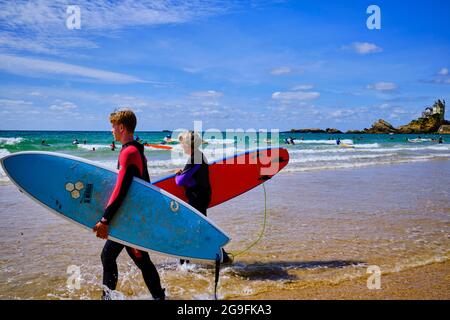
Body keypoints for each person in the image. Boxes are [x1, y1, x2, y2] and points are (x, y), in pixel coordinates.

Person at [93, 109, 165, 300]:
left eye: (113, 126)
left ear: (122, 127)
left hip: (130, 220)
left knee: (129, 258)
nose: (111, 130)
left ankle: (109, 298)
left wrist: (105, 218)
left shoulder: (130, 152)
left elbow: (121, 189)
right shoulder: (136, 150)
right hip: (131, 216)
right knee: (131, 258)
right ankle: (158, 296)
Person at [175, 131, 232, 265]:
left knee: (189, 230)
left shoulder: (194, 158)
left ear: (188, 144)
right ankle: (222, 257)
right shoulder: (200, 156)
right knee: (201, 229)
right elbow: (193, 178)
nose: (182, 146)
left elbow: (180, 181)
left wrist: (177, 175)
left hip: (196, 199)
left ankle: (184, 264)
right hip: (202, 196)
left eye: (182, 143)